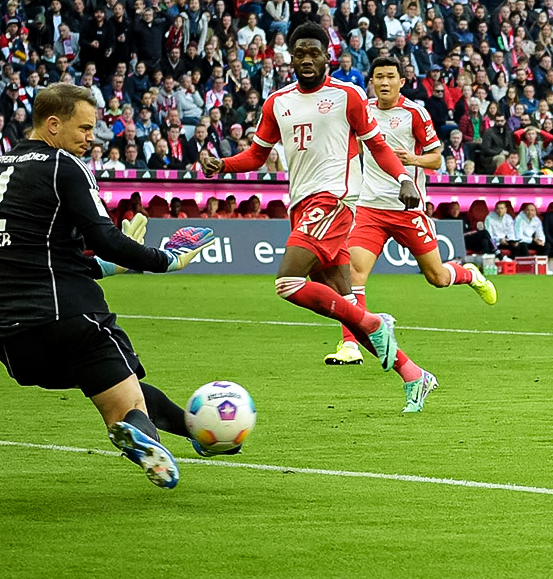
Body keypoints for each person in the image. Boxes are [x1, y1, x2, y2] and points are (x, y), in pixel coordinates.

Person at [0, 83, 215, 490]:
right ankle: (140, 436)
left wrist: (110, 266)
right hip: (69, 317)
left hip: (11, 339)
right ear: (53, 125)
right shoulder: (62, 165)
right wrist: (164, 259)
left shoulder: (2, 168)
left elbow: (38, 255)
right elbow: (104, 235)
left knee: (117, 383)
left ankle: (193, 430)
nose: (91, 138)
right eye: (84, 129)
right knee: (126, 405)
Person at [199, 23, 424, 410]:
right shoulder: (277, 102)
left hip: (334, 199)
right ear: (289, 56)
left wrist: (404, 178)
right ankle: (413, 374)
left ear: (326, 57)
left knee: (286, 281)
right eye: (299, 52)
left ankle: (374, 323)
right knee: (348, 305)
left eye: (313, 53)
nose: (306, 59)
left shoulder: (347, 96)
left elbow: (379, 147)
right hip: (300, 203)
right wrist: (222, 164)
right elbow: (256, 155)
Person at [325, 57, 497, 381]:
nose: (385, 82)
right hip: (370, 207)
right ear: (372, 82)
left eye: (391, 76)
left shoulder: (415, 114)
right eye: (379, 77)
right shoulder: (362, 111)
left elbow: (436, 158)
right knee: (353, 273)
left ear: (402, 81)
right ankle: (350, 344)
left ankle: (469, 274)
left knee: (436, 277)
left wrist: (413, 159)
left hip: (408, 208)